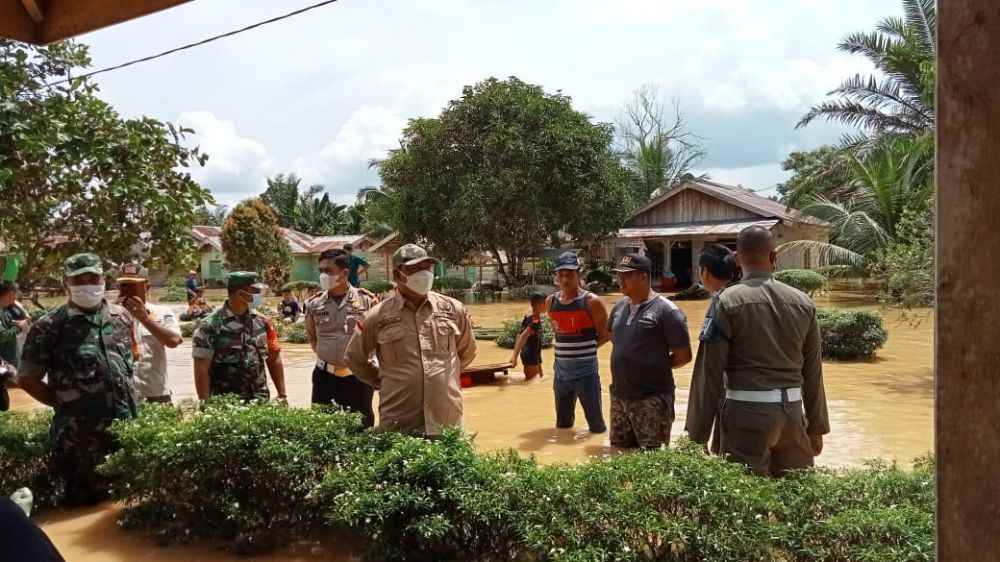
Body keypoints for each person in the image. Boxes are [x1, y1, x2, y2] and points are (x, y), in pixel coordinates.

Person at [686, 226, 830, 477]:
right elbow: (813, 371)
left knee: (748, 503)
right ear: (774, 258)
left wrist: (698, 435)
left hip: (746, 418)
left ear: (736, 259)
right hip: (793, 416)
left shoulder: (726, 302)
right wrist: (816, 426)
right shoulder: (803, 302)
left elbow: (708, 374)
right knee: (796, 498)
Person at [15, 253, 139, 505]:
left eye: (93, 277)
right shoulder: (49, 326)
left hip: (127, 431)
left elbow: (131, 362)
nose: (87, 284)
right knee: (84, 505)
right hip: (81, 442)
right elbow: (27, 379)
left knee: (129, 502)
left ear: (104, 279)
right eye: (79, 280)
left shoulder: (121, 317)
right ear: (66, 284)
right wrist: (65, 403)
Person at [346, 244, 476, 436]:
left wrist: (443, 376)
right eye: (414, 269)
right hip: (399, 424)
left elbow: (467, 352)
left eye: (427, 268)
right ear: (398, 275)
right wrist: (385, 379)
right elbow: (354, 357)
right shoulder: (377, 316)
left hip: (446, 421)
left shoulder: (453, 309)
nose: (423, 274)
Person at [607, 254, 692, 449]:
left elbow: (684, 356)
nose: (620, 280)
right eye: (619, 275)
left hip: (651, 399)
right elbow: (613, 335)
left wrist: (653, 364)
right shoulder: (619, 307)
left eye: (627, 276)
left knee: (653, 460)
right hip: (619, 397)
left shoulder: (668, 312)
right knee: (618, 455)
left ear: (644, 277)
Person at [305, 249, 379, 426]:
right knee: (321, 428)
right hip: (325, 377)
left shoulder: (367, 301)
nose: (323, 275)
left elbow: (377, 339)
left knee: (362, 426)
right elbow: (313, 339)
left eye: (329, 271)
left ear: (344, 273)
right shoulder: (313, 304)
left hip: (358, 377)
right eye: (321, 271)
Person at [191, 271, 287, 403]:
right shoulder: (210, 326)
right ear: (241, 294)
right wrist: (205, 404)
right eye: (256, 290)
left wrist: (282, 395)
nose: (259, 295)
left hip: (260, 402)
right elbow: (201, 368)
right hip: (226, 406)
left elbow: (274, 357)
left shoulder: (263, 321)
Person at [546, 252, 611, 434]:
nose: (565, 279)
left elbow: (605, 334)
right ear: (556, 276)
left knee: (596, 426)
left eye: (570, 274)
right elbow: (559, 335)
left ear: (579, 275)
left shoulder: (591, 302)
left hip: (586, 373)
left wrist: (588, 348)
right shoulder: (550, 302)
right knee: (563, 425)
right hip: (560, 373)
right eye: (561, 275)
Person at [685, 243, 738, 453]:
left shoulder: (721, 303)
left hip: (733, 400)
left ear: (704, 271)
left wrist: (697, 434)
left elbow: (708, 373)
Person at [117, 263, 183, 403]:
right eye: (124, 284)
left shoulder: (161, 312)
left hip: (155, 392)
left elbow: (174, 341)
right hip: (121, 394)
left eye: (133, 285)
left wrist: (145, 319)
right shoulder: (109, 314)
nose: (128, 289)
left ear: (146, 286)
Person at [509, 291, 547, 381]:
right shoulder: (535, 321)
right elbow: (523, 336)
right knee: (530, 384)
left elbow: (519, 334)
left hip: (532, 355)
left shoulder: (528, 316)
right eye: (546, 303)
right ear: (540, 304)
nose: (548, 305)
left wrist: (539, 365)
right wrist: (514, 357)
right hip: (531, 356)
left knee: (539, 379)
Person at [0, 281, 29, 366]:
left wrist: (14, 324)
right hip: (4, 365)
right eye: (17, 292)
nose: (19, 294)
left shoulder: (5, 309)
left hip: (9, 360)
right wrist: (19, 327)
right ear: (11, 294)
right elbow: (2, 335)